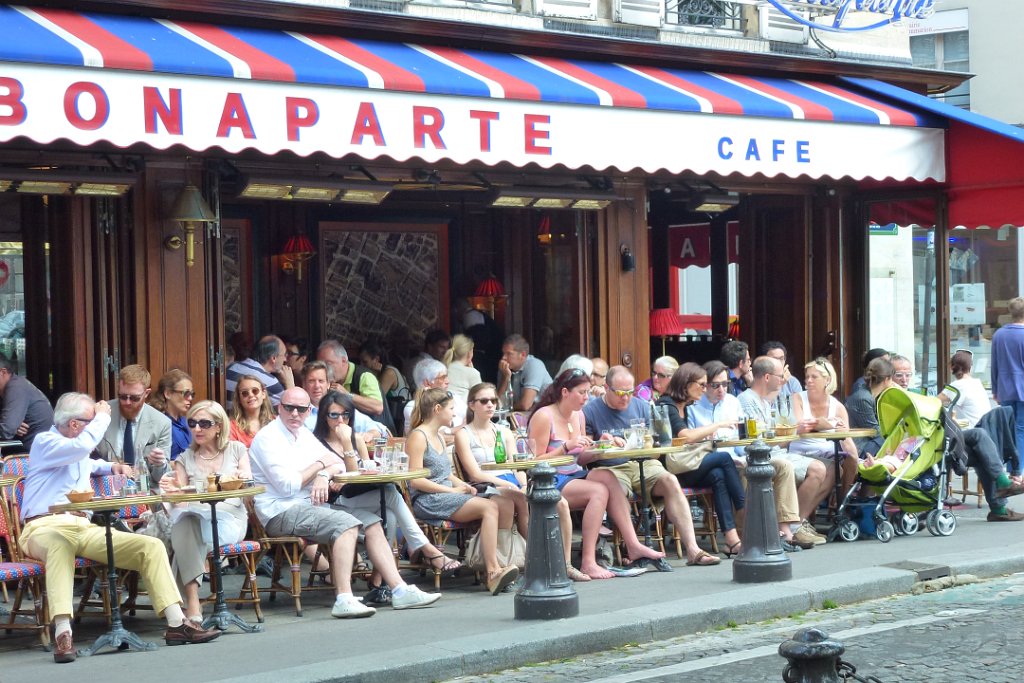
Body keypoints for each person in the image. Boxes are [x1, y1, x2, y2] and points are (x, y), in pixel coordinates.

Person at [19, 392, 220, 663]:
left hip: (83, 526)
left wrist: (113, 466)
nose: (96, 426)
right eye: (91, 421)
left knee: (149, 545)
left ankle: (176, 623)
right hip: (43, 527)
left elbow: (87, 462)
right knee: (60, 544)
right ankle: (63, 631)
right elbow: (80, 450)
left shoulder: (72, 449)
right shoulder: (46, 442)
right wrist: (103, 416)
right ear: (76, 425)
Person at [249, 387, 441, 616]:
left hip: (311, 505)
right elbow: (287, 486)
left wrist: (322, 474)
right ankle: (344, 597)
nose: (295, 413)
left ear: (309, 410)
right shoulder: (268, 437)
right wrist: (321, 466)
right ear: (279, 408)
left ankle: (399, 591)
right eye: (289, 407)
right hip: (280, 511)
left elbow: (337, 464)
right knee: (346, 524)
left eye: (301, 409)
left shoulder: (303, 434)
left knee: (372, 522)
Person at [313, 390, 460, 605]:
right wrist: (346, 445)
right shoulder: (317, 442)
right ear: (324, 417)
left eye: (345, 414)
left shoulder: (356, 438)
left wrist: (359, 455)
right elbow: (351, 474)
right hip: (332, 503)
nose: (340, 420)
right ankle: (425, 549)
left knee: (389, 513)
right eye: (333, 415)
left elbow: (362, 469)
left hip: (356, 496)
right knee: (390, 495)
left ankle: (380, 579)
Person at [529, 369, 666, 579]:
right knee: (598, 491)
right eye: (582, 392)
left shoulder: (578, 416)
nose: (586, 398)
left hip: (573, 474)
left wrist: (602, 444)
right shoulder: (544, 416)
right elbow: (534, 463)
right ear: (565, 392)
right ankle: (588, 561)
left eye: (587, 393)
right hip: (548, 480)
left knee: (608, 477)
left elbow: (581, 457)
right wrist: (564, 447)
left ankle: (633, 544)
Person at [583, 366, 720, 567]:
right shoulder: (591, 411)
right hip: (610, 467)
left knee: (670, 481)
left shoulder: (641, 406)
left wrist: (651, 444)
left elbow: (657, 445)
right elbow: (583, 453)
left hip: (643, 462)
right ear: (606, 388)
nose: (626, 398)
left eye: (630, 392)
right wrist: (601, 444)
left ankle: (693, 549)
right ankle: (631, 545)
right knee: (613, 489)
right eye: (620, 393)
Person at [406, 388, 520, 595]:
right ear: (437, 409)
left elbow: (443, 472)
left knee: (503, 503)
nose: (454, 414)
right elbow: (415, 480)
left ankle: (501, 563)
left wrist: (462, 485)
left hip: (445, 494)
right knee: (489, 507)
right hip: (428, 499)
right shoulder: (418, 436)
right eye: (451, 409)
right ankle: (492, 571)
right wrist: (453, 490)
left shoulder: (439, 436)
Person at [689, 361, 810, 551]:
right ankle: (747, 530)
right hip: (713, 461)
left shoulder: (732, 402)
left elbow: (743, 437)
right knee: (744, 469)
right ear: (705, 385)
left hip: (740, 453)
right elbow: (691, 443)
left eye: (725, 384)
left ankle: (786, 531)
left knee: (782, 466)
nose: (721, 389)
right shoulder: (693, 406)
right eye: (715, 385)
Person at [165, 401, 250, 625]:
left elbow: (247, 482)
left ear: (219, 426)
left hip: (229, 517)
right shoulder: (184, 458)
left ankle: (183, 607)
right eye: (191, 423)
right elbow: (180, 501)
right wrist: (172, 491)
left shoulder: (237, 450)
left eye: (204, 423)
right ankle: (192, 604)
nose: (197, 429)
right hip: (195, 517)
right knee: (187, 523)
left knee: (185, 535)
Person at [738, 356, 831, 546]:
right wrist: (795, 431)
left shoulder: (764, 400)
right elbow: (759, 440)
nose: (783, 381)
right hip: (761, 456)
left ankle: (794, 524)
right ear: (766, 377)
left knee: (827, 467)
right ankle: (789, 527)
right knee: (814, 468)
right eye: (780, 376)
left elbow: (778, 431)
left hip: (776, 453)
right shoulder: (747, 401)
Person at [657, 362, 744, 557]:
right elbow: (685, 436)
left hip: (684, 466)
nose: (705, 389)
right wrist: (718, 425)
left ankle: (731, 540)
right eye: (702, 385)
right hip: (670, 471)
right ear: (687, 383)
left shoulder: (683, 407)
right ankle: (743, 508)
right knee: (723, 458)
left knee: (718, 475)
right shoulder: (666, 404)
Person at [789, 358, 859, 497]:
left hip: (827, 452)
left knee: (851, 458)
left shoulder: (838, 407)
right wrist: (828, 425)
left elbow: (846, 439)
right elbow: (802, 425)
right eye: (807, 376)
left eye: (814, 377)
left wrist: (853, 454)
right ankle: (808, 508)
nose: (809, 380)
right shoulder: (797, 398)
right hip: (801, 451)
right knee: (834, 468)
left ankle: (842, 501)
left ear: (827, 380)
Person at [94, 364, 171, 486]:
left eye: (135, 398)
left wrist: (160, 464)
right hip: (107, 491)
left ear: (146, 393)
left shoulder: (161, 423)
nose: (127, 402)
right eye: (123, 397)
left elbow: (161, 478)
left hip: (144, 493)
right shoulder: (101, 413)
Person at [301, 361, 389, 445]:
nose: (317, 386)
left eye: (321, 381)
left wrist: (370, 435)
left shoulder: (341, 407)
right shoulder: (298, 411)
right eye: (311, 381)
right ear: (304, 384)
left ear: (328, 384)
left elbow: (380, 429)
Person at [317, 340, 392, 431]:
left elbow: (378, 407)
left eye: (328, 364)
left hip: (377, 436)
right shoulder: (326, 381)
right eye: (321, 365)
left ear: (344, 361)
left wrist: (347, 395)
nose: (325, 369)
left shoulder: (364, 376)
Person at [991, 297, 1024, 476]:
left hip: (1005, 387)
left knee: (1009, 430)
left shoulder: (999, 335)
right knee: (1021, 429)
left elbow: (994, 364)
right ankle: (1017, 469)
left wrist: (995, 389)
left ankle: (1012, 468)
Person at [0, 352, 53, 449]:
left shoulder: (16, 387)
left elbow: (6, 431)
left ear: (3, 372)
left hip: (30, 455)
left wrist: (8, 425)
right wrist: (8, 423)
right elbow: (9, 427)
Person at [225, 335, 290, 409]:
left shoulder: (231, 367)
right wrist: (290, 384)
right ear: (273, 358)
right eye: (284, 355)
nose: (285, 359)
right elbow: (289, 411)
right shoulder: (270, 381)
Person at [404, 358, 465, 437]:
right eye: (442, 377)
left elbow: (470, 420)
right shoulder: (413, 407)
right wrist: (459, 428)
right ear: (427, 383)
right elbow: (435, 434)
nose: (448, 381)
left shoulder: (454, 398)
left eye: (447, 376)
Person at [846, 356, 888, 458]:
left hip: (867, 444)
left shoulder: (873, 395)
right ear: (887, 379)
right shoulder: (863, 398)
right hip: (859, 448)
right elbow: (874, 431)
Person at [497, 334, 553, 411]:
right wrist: (506, 377)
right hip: (518, 415)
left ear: (522, 355)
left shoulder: (534, 365)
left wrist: (507, 407)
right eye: (503, 353)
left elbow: (525, 405)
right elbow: (498, 403)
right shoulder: (505, 368)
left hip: (543, 415)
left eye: (509, 354)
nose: (503, 357)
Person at [940, 349, 992, 428]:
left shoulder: (958, 385)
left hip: (970, 432)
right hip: (984, 431)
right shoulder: (977, 383)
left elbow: (935, 402)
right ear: (970, 367)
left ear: (952, 367)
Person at [149, 369, 194, 460]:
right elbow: (153, 462)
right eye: (186, 393)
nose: (190, 398)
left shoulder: (186, 422)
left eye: (192, 394)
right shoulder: (156, 422)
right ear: (168, 393)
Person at [228, 375, 275, 449]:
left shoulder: (276, 422)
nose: (250, 395)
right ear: (239, 399)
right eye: (245, 393)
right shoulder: (231, 427)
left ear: (263, 394)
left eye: (255, 391)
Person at [443, 334, 481, 406]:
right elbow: (481, 398)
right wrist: (472, 370)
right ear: (469, 353)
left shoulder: (442, 368)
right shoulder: (472, 373)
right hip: (463, 414)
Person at [761, 341, 802, 407]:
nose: (778, 362)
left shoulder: (792, 382)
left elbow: (800, 408)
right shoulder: (760, 380)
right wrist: (779, 384)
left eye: (781, 358)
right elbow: (763, 408)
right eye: (774, 359)